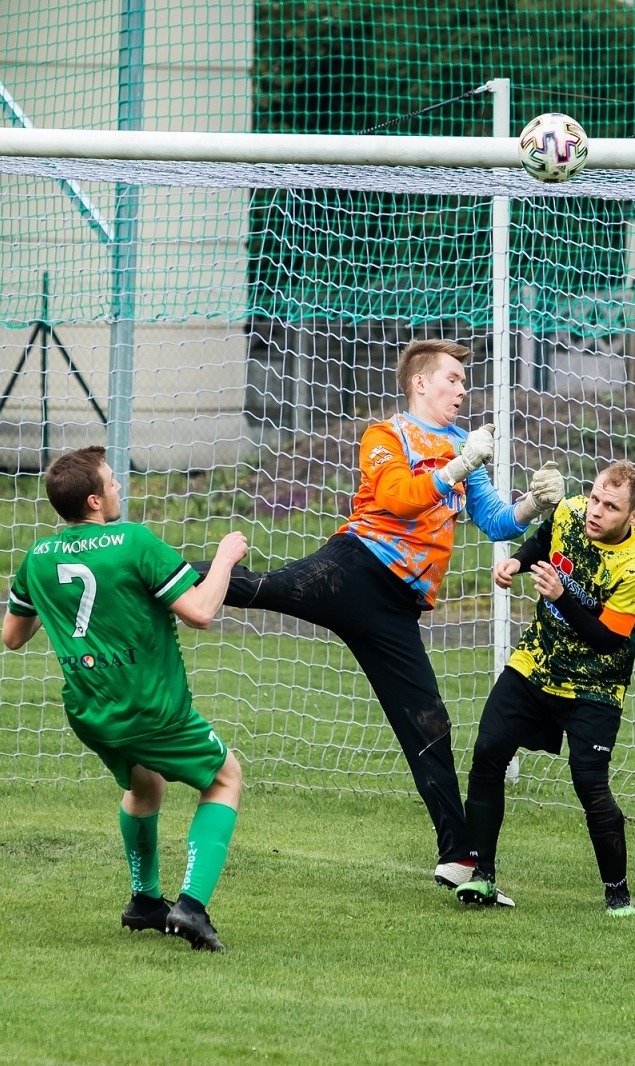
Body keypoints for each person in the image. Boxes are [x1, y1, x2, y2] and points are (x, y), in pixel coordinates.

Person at [196, 338, 563, 892]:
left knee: (428, 723)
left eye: (465, 381)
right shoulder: (385, 435)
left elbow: (497, 523)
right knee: (260, 589)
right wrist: (461, 463)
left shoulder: (465, 444)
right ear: (420, 383)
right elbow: (397, 499)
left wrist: (537, 504)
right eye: (453, 379)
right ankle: (161, 575)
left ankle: (458, 858)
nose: (463, 390)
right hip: (355, 569)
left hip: (397, 607)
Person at [2, 445, 247, 952]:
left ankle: (144, 902)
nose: (119, 488)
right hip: (150, 707)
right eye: (112, 483)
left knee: (145, 787)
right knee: (226, 778)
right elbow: (199, 612)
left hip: (91, 711)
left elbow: (12, 636)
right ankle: (192, 907)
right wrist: (224, 558)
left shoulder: (38, 558)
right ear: (94, 501)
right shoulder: (134, 541)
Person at [456, 461, 635, 916]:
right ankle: (482, 875)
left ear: (633, 516)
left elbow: (607, 640)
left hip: (596, 685)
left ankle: (618, 895)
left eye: (611, 506)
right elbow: (543, 543)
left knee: (589, 784)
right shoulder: (568, 512)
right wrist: (516, 561)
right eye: (595, 498)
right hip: (538, 662)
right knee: (488, 750)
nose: (596, 511)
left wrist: (561, 596)